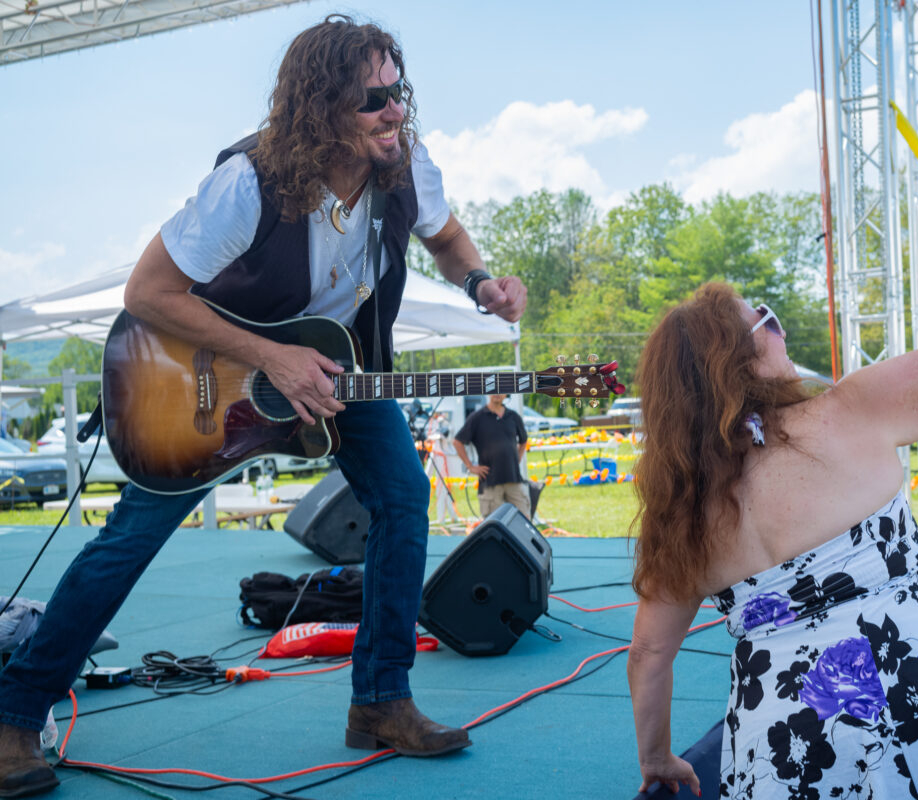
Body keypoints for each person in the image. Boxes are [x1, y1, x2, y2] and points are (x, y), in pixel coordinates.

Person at [0, 15, 527, 797]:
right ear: (321, 110)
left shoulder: (404, 166)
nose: (394, 113)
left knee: (403, 499)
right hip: (196, 381)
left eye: (399, 92)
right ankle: (14, 717)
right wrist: (268, 355)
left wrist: (481, 281)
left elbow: (447, 239)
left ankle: (381, 699)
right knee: (130, 538)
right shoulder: (249, 182)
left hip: (343, 372)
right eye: (373, 100)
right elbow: (147, 293)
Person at [627, 169, 918, 798]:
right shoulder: (849, 409)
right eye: (766, 319)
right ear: (736, 360)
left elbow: (651, 657)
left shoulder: (683, 510)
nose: (780, 328)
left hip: (782, 748)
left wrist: (655, 758)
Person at [453, 395, 531, 519]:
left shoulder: (513, 416)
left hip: (514, 479)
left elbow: (524, 441)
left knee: (524, 520)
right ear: (488, 393)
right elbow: (457, 442)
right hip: (490, 482)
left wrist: (517, 458)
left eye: (501, 391)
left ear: (506, 394)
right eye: (494, 390)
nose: (497, 394)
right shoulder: (477, 418)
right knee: (494, 524)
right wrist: (470, 466)